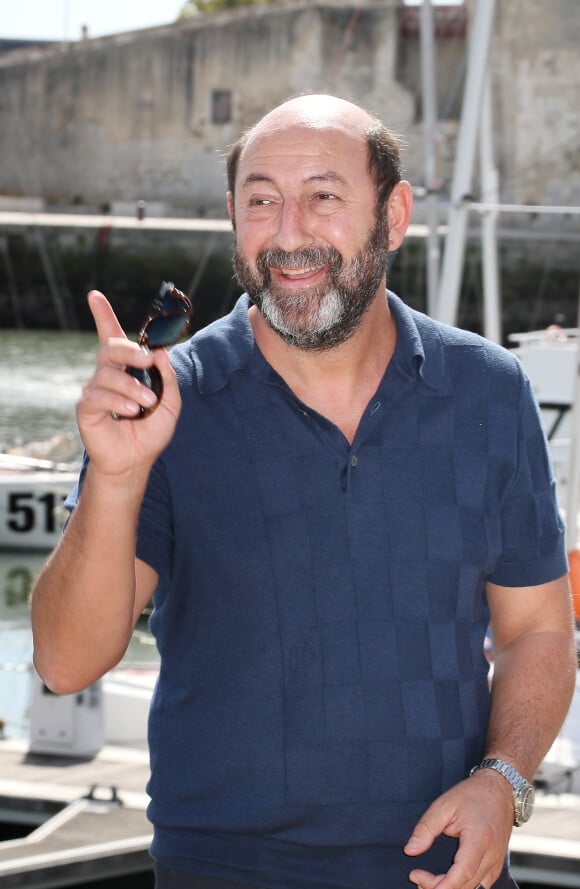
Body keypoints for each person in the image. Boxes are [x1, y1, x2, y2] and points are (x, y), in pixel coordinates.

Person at [30, 94, 577, 889]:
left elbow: (538, 633)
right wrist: (116, 474)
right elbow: (65, 662)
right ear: (231, 216)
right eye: (260, 200)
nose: (288, 233)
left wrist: (505, 782)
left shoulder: (489, 391)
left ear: (393, 216)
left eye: (324, 195)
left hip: (450, 875)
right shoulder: (165, 399)